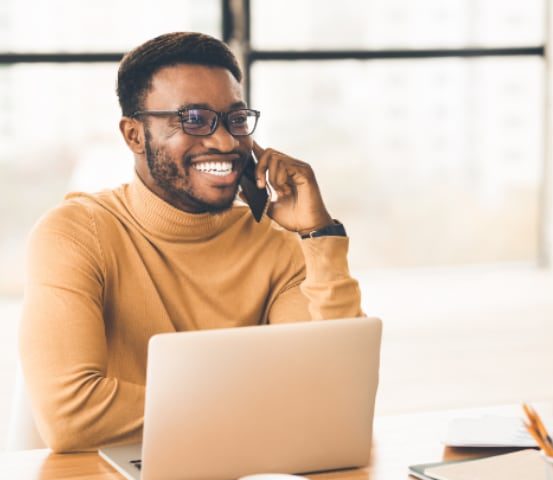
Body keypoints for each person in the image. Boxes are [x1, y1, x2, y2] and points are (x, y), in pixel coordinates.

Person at [18, 32, 362, 452]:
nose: (224, 142)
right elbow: (71, 416)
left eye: (235, 120)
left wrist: (318, 234)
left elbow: (337, 391)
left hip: (246, 474)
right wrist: (268, 405)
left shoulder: (276, 242)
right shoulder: (75, 234)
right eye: (194, 119)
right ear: (134, 135)